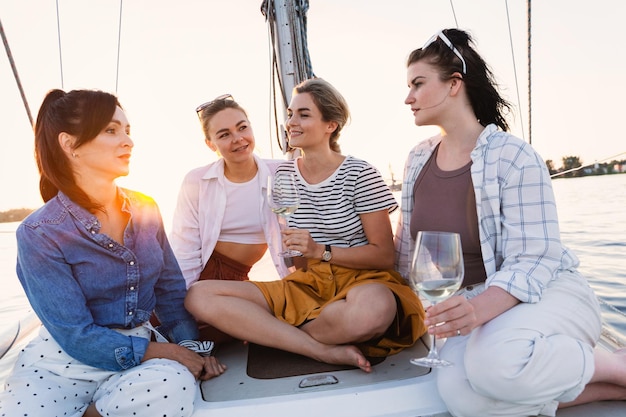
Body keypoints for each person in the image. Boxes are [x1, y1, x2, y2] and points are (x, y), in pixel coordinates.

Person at [395, 28, 626, 416]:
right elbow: (406, 252)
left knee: (494, 367)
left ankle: (617, 366)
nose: (408, 97)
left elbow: (536, 258)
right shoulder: (417, 159)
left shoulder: (513, 156)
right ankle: (615, 392)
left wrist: (477, 310)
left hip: (546, 289)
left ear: (454, 84)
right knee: (460, 396)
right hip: (469, 301)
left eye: (418, 84)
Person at [0, 89, 225, 417]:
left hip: (142, 358)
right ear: (70, 144)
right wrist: (165, 352)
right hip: (63, 363)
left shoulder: (146, 207)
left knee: (172, 386)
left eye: (128, 131)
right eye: (111, 130)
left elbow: (171, 293)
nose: (128, 142)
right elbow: (75, 334)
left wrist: (189, 349)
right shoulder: (39, 232)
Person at [185, 78, 426, 372]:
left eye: (303, 114)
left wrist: (320, 250)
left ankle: (272, 334)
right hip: (308, 284)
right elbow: (299, 263)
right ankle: (318, 348)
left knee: (374, 311)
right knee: (199, 295)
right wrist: (298, 251)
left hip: (363, 280)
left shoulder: (360, 173)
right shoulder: (282, 175)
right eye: (290, 114)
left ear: (331, 125)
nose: (291, 122)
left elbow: (383, 255)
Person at [168, 94, 292, 342]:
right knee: (157, 330)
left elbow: (302, 231)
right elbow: (185, 252)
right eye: (224, 134)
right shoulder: (197, 181)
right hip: (196, 282)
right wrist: (181, 312)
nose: (238, 139)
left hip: (236, 283)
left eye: (242, 127)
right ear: (210, 144)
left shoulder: (282, 172)